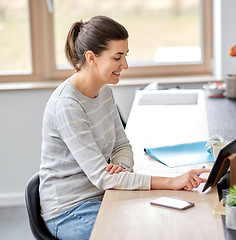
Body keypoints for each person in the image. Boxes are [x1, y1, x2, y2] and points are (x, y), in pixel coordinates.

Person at [39, 15, 210, 240]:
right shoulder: (67, 105)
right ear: (91, 58)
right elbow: (103, 177)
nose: (125, 65)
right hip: (70, 211)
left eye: (125, 56)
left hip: (105, 194)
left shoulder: (105, 92)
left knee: (160, 225)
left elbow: (122, 145)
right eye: (117, 57)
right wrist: (172, 181)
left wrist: (120, 166)